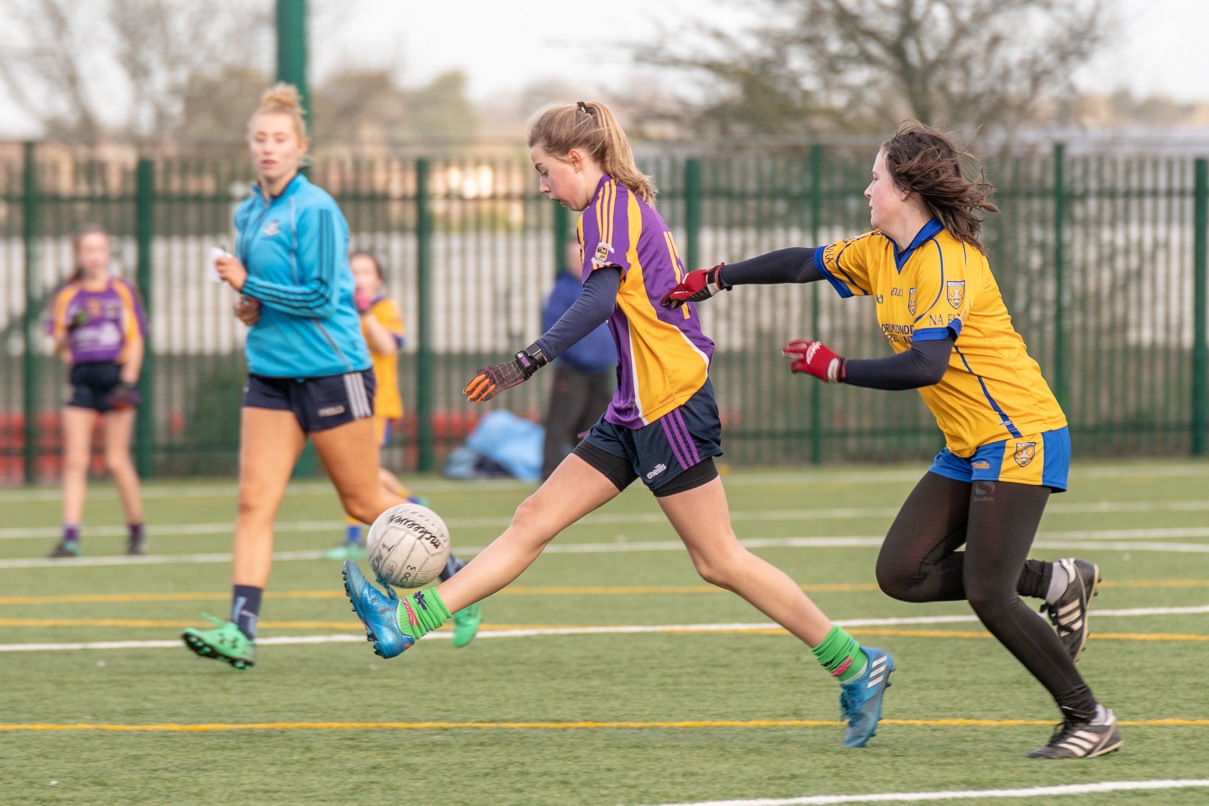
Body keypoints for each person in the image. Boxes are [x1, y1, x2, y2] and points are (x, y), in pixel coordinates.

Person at [342, 100, 896, 749]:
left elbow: (598, 297)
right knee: (532, 520)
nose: (543, 187)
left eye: (545, 172)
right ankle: (405, 623)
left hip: (670, 406)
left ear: (578, 159)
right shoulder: (613, 206)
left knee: (718, 559)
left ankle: (857, 664)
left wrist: (526, 362)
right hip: (634, 406)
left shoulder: (610, 204)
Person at [661, 121, 1117, 760]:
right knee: (901, 573)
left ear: (904, 188)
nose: (867, 188)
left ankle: (1090, 718)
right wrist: (718, 276)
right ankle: (1057, 582)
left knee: (989, 591)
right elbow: (803, 262)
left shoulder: (949, 262)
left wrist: (837, 366)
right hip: (969, 444)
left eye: (876, 177)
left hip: (1021, 434)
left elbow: (926, 366)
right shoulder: (881, 250)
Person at [180, 84, 480, 671]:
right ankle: (241, 631)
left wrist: (247, 284)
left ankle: (457, 575)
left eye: (280, 140)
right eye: (260, 139)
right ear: (250, 146)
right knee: (252, 504)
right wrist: (246, 306)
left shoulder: (315, 209)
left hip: (332, 371)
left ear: (301, 147)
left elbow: (319, 297)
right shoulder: (247, 211)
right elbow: (260, 300)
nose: (269, 149)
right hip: (269, 375)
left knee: (363, 498)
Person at [46, 225, 148, 558]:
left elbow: (135, 338)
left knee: (117, 459)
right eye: (87, 250)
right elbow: (59, 345)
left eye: (100, 249)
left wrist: (128, 380)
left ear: (108, 254)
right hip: (82, 377)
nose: (94, 256)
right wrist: (69, 331)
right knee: (76, 460)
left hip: (115, 376)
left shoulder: (122, 291)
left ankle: (136, 531)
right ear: (78, 255)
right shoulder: (67, 295)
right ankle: (71, 537)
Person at [322, 251, 431, 560]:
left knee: (356, 469)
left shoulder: (384, 309)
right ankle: (409, 502)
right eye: (353, 273)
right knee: (359, 468)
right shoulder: (342, 311)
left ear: (378, 279)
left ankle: (356, 537)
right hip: (347, 398)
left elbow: (387, 346)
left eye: (366, 273)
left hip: (377, 401)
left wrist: (366, 313)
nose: (359, 279)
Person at [540, 236, 617, 480]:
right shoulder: (563, 290)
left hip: (601, 370)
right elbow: (553, 328)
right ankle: (549, 475)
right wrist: (578, 354)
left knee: (594, 427)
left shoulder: (602, 286)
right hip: (572, 371)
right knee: (560, 424)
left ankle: (588, 475)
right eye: (574, 257)